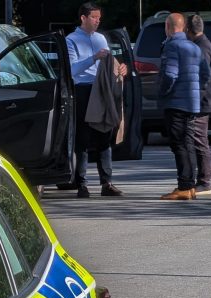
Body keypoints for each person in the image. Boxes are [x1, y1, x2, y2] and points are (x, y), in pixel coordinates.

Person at [65, 2, 127, 198]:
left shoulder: (101, 38)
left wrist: (121, 68)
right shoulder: (71, 40)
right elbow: (72, 69)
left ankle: (107, 183)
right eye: (93, 17)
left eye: (99, 18)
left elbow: (109, 63)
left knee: (105, 134)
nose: (97, 21)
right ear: (83, 18)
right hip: (83, 89)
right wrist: (93, 58)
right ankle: (81, 184)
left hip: (101, 89)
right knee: (82, 138)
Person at [157, 13, 209, 201]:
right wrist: (195, 90)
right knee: (188, 144)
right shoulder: (194, 47)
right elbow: (206, 74)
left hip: (176, 102)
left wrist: (163, 91)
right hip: (192, 103)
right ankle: (190, 185)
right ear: (184, 27)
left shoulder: (172, 46)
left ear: (167, 27)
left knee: (178, 144)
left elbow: (170, 75)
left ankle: (184, 186)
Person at [188, 14, 211, 196]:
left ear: (188, 30)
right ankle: (202, 180)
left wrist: (195, 98)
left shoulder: (201, 46)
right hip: (202, 100)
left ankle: (205, 182)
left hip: (201, 101)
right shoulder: (202, 44)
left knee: (199, 141)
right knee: (198, 140)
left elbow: (204, 76)